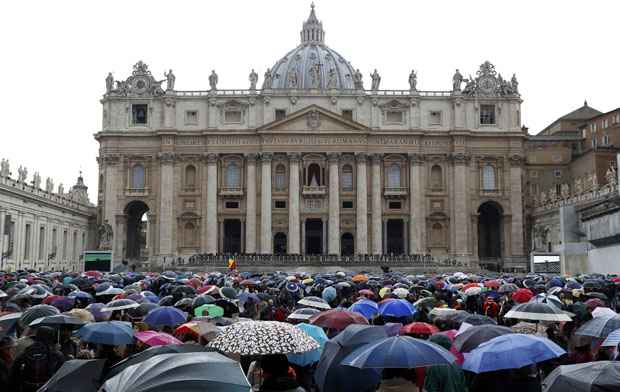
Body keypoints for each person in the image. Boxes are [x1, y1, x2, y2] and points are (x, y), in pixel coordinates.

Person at [9, 326, 65, 392]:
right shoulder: (56, 355)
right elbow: (62, 376)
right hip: (47, 388)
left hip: (28, 388)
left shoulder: (26, 352)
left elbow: (13, 375)